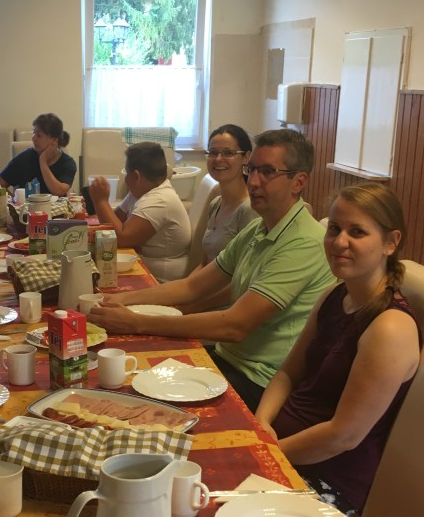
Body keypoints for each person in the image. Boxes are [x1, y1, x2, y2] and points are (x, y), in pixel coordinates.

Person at [88, 129, 335, 411]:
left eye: (267, 172)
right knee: (125, 378)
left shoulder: (304, 241)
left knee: (138, 403)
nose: (254, 181)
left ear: (298, 181)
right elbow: (192, 286)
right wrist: (120, 299)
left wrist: (136, 322)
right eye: (252, 169)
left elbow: (235, 326)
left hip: (259, 380)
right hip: (226, 358)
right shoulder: (259, 227)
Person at [255, 183, 420, 513]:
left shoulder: (390, 328)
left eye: (357, 232)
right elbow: (288, 373)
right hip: (283, 451)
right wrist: (260, 424)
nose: (339, 242)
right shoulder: (334, 296)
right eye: (334, 228)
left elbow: (343, 436)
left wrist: (268, 452)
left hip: (328, 482)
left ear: (390, 242)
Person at [88, 141, 191, 283]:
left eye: (126, 173)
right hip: (141, 265)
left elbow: (120, 239)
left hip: (160, 281)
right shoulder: (141, 191)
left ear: (136, 176)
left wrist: (101, 201)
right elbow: (116, 219)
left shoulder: (160, 200)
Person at [201, 124, 256, 266]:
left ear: (246, 157)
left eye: (228, 153)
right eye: (213, 152)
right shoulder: (216, 204)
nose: (218, 159)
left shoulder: (249, 209)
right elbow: (204, 264)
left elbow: (244, 272)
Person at [0, 113, 76, 197]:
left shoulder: (67, 163)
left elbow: (58, 192)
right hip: (27, 205)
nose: (33, 138)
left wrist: (42, 161)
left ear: (54, 140)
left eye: (39, 135)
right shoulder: (24, 158)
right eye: (33, 133)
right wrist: (15, 201)